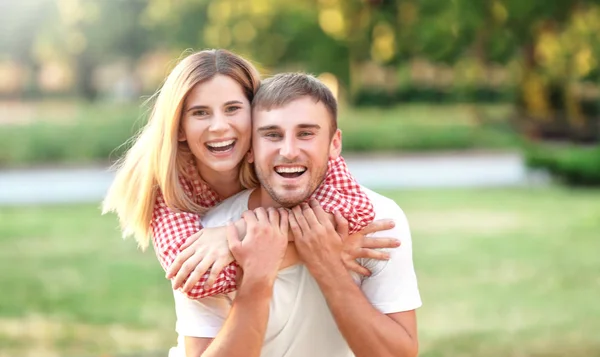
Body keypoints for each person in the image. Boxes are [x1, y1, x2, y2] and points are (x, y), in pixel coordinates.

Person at [158, 73, 421, 357]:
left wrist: (327, 265)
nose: (289, 150)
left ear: (334, 143)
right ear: (250, 149)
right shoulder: (209, 238)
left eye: (306, 134)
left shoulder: (375, 221)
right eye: (271, 135)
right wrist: (256, 278)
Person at [102, 49, 398, 299]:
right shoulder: (167, 185)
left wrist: (232, 237)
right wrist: (321, 249)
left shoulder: (287, 151)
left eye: (232, 108)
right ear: (179, 127)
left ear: (256, 112)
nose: (218, 126)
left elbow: (353, 211)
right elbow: (198, 280)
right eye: (200, 113)